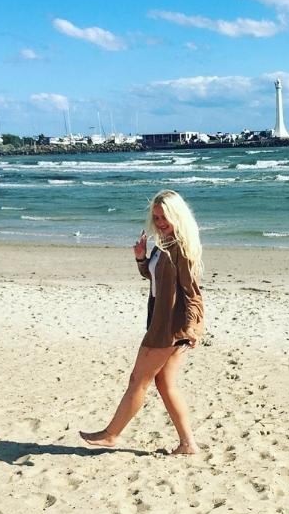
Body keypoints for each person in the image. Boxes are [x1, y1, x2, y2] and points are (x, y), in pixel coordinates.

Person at [80, 189, 204, 455]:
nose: (159, 222)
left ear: (177, 216)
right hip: (162, 320)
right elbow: (156, 279)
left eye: (165, 218)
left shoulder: (181, 247)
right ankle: (188, 444)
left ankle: (111, 435)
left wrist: (192, 327)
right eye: (156, 217)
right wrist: (141, 257)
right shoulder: (165, 243)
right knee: (165, 384)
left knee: (138, 379)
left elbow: (192, 292)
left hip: (170, 326)